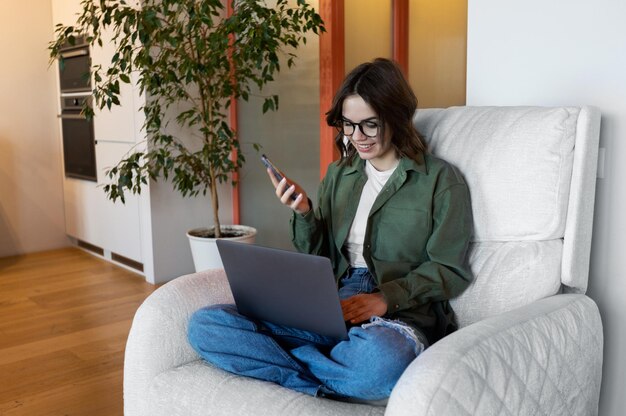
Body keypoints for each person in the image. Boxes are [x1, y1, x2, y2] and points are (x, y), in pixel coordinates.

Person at [187, 58, 473, 402]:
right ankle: (327, 376)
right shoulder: (340, 173)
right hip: (332, 300)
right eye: (348, 125)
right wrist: (304, 212)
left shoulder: (441, 180)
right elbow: (317, 257)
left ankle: (294, 365)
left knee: (381, 361)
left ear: (397, 117)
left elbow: (449, 269)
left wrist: (385, 299)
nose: (356, 138)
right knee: (207, 325)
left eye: (370, 125)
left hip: (398, 312)